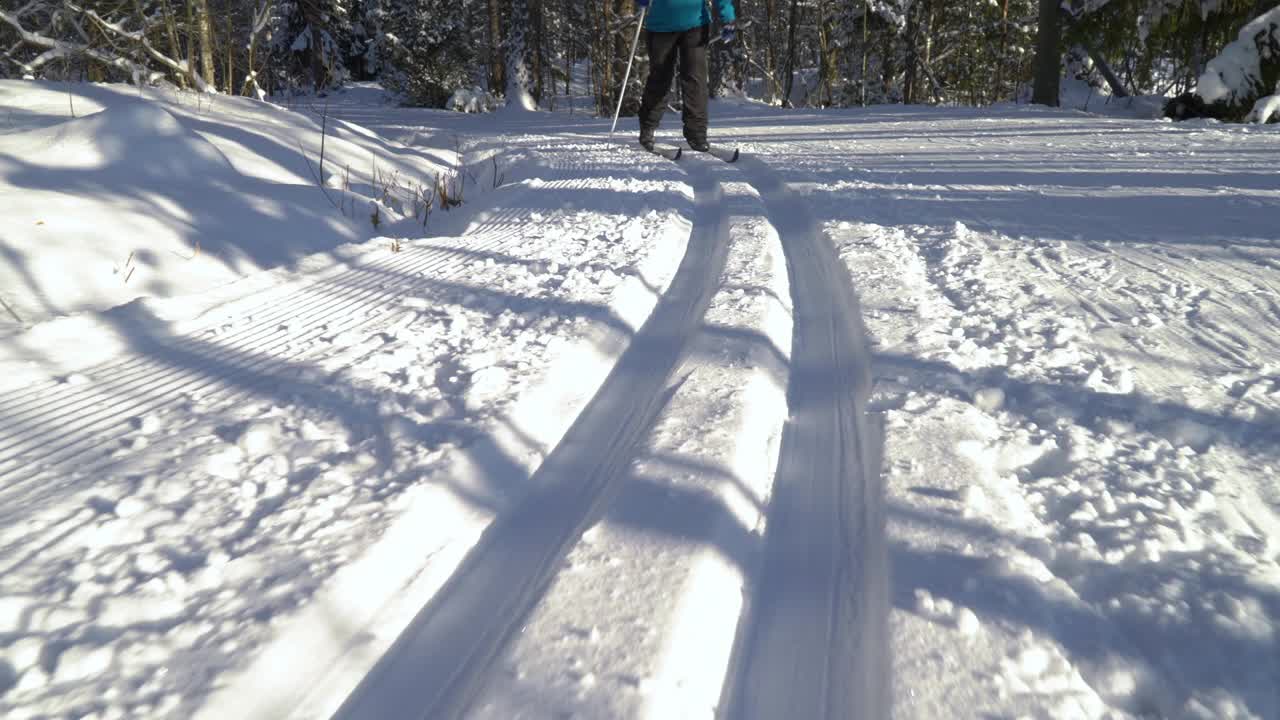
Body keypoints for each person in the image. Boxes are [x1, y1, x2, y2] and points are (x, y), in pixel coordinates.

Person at [635, 0, 736, 153]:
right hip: (661, 25)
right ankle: (647, 128)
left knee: (696, 80)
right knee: (660, 79)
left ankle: (697, 133)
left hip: (695, 26)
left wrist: (728, 18)